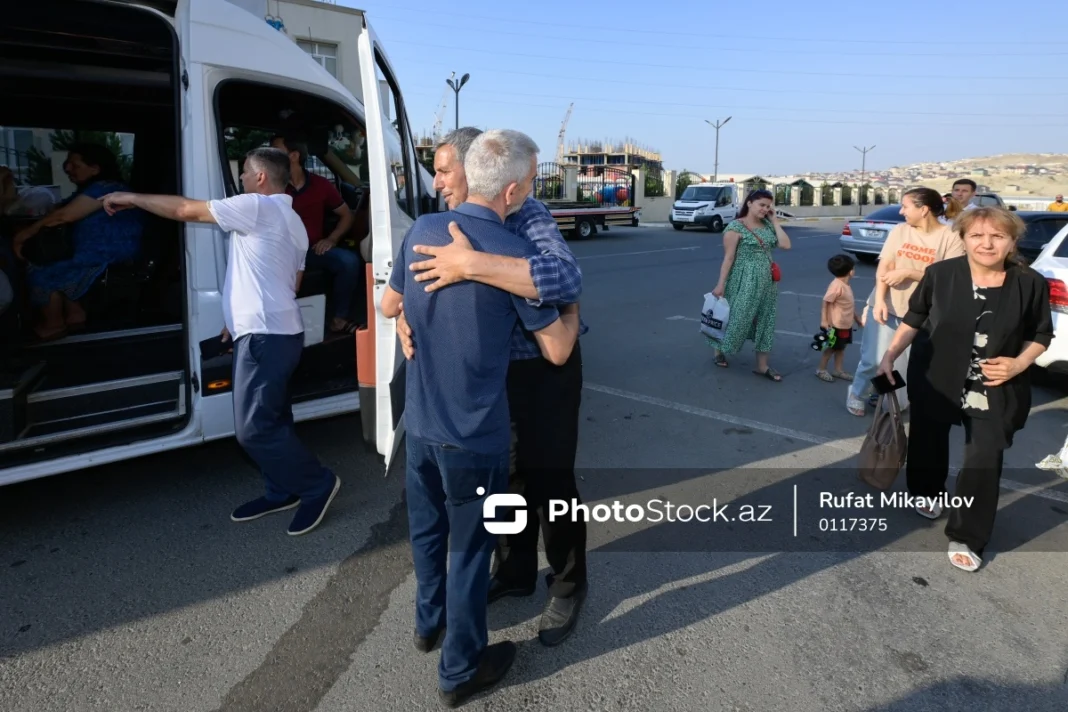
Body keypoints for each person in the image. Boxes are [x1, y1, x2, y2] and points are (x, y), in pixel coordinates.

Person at [380, 129, 581, 707]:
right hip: (478, 416)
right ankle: (467, 655)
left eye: (446, 170)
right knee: (478, 533)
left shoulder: (437, 230)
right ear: (510, 187)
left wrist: (457, 278)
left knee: (440, 526)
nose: (439, 181)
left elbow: (389, 304)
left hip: (444, 413)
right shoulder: (500, 249)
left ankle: (437, 621)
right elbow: (559, 347)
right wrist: (568, 308)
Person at [99, 147, 340, 536]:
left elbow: (184, 210)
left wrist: (131, 197)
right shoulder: (293, 220)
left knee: (253, 429)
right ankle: (282, 491)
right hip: (278, 331)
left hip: (265, 335)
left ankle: (317, 484)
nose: (240, 178)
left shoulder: (257, 206)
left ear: (260, 177)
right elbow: (289, 282)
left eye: (244, 172)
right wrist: (235, 317)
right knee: (274, 419)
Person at [876, 207, 1052, 572]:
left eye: (997, 236)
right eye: (977, 235)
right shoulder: (940, 274)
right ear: (964, 239)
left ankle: (968, 534)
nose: (986, 244)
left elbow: (1041, 334)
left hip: (995, 382)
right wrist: (890, 355)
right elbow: (915, 317)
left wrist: (1019, 364)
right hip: (937, 374)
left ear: (1012, 242)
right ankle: (927, 490)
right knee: (928, 436)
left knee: (984, 456)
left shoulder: (1030, 282)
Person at [845, 187, 965, 416]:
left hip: (920, 313)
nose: (901, 212)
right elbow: (885, 266)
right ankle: (856, 393)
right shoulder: (900, 231)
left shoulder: (951, 237)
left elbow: (947, 278)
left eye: (905, 206)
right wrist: (880, 300)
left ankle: (880, 393)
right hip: (887, 305)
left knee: (901, 362)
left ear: (924, 209)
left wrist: (909, 273)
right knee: (873, 359)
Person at [12, 143, 143, 341]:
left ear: (95, 168)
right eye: (67, 163)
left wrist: (23, 236)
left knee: (42, 269)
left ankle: (53, 325)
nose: (67, 168)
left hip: (106, 251)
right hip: (93, 248)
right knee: (56, 257)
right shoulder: (92, 189)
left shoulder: (107, 188)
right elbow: (59, 210)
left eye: (74, 165)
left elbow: (65, 216)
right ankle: (75, 317)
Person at [270, 134, 361, 334]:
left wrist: (331, 239)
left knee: (349, 261)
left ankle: (339, 319)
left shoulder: (320, 184)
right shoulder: (271, 186)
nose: (270, 155)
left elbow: (347, 215)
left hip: (312, 250)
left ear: (294, 156)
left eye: (276, 151)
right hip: (281, 253)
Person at [707, 188, 792, 381]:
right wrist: (720, 284)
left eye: (768, 206)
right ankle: (718, 349)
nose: (765, 209)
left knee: (766, 320)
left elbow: (786, 245)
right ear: (749, 203)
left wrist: (775, 221)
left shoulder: (767, 225)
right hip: (743, 279)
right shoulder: (735, 227)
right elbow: (728, 258)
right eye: (762, 205)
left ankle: (762, 366)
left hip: (767, 282)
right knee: (736, 317)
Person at [815, 254, 864, 383]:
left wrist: (857, 318)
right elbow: (826, 301)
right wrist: (824, 320)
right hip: (836, 325)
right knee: (831, 348)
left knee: (841, 348)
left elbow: (849, 305)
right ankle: (821, 369)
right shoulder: (837, 286)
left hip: (845, 324)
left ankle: (838, 370)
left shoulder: (845, 285)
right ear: (851, 271)